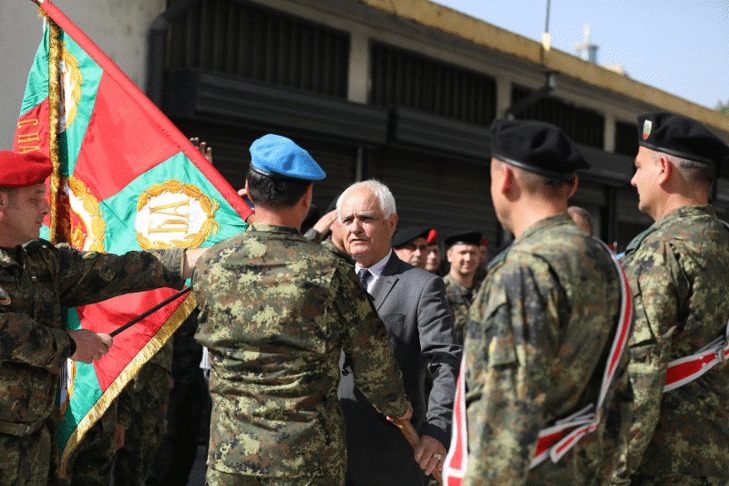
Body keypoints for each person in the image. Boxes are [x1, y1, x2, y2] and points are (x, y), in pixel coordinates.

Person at [193, 134, 411, 485]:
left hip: (230, 458)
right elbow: (373, 364)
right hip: (306, 461)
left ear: (248, 187)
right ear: (307, 198)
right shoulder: (330, 271)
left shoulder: (212, 262)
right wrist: (398, 407)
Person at [0, 150, 205, 486]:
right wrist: (68, 344)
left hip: (31, 448)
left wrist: (185, 262)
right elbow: (7, 332)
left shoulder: (39, 261)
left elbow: (110, 271)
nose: (46, 209)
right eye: (36, 198)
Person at [447, 119, 631, 485]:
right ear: (573, 185)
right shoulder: (604, 262)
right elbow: (619, 396)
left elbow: (504, 424)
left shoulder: (523, 271)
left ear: (505, 179)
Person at [608, 112, 729, 486]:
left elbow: (639, 381)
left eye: (638, 166)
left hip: (663, 464)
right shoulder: (721, 240)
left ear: (662, 168)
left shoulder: (660, 251)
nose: (632, 179)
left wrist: (613, 474)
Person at [337, 180, 461, 486]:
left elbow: (445, 363)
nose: (355, 228)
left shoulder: (421, 287)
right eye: (347, 220)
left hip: (391, 454)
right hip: (330, 452)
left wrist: (437, 429)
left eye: (365, 218)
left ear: (391, 223)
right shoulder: (331, 281)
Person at [442, 231, 482, 345]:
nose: (468, 258)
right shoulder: (438, 291)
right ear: (449, 255)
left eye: (473, 253)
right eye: (463, 252)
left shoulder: (485, 290)